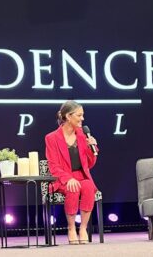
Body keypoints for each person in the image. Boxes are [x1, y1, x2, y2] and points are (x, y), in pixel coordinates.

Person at [44, 100, 99, 245]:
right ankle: (71, 228)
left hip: (81, 176)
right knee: (73, 188)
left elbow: (90, 164)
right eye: (79, 115)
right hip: (62, 178)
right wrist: (68, 179)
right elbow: (53, 165)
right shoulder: (51, 138)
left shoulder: (82, 135)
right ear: (68, 116)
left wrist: (92, 149)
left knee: (87, 186)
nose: (82, 119)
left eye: (83, 115)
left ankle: (83, 228)